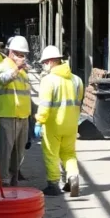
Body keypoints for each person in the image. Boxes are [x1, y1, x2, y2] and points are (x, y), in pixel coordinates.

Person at [35, 46, 84, 197]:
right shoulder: (77, 80)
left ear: (50, 62)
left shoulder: (48, 81)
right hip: (71, 125)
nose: (44, 65)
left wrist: (38, 122)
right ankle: (73, 177)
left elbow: (44, 106)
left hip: (53, 125)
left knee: (51, 154)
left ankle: (53, 184)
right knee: (69, 153)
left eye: (44, 62)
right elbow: (79, 101)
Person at [0, 35, 32, 186]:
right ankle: (3, 178)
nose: (22, 58)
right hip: (8, 114)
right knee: (5, 150)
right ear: (11, 53)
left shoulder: (23, 71)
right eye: (20, 54)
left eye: (24, 55)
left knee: (19, 151)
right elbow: (1, 79)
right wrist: (16, 69)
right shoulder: (4, 65)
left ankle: (14, 175)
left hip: (23, 115)